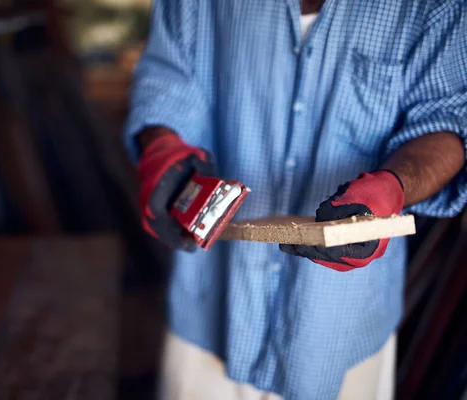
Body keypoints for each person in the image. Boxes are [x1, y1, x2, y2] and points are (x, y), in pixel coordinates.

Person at [123, 0, 467, 399]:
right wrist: (161, 145)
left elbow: (446, 119)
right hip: (211, 297)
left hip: (338, 318)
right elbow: (165, 79)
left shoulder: (436, 6)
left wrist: (395, 185)